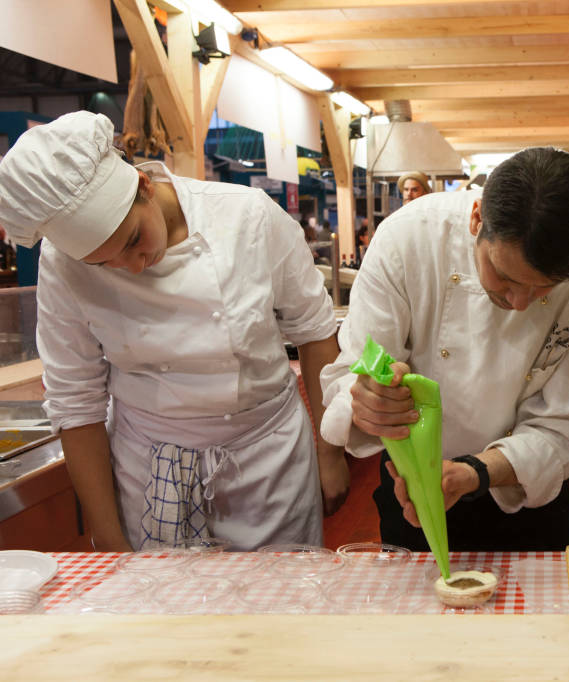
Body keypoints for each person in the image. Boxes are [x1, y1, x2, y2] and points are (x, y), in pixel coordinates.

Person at [0, 111, 350, 551]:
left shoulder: (245, 216)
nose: (132, 265)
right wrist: (107, 534)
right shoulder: (61, 265)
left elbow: (315, 332)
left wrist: (330, 453)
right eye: (102, 263)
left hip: (269, 462)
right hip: (148, 470)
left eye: (131, 240)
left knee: (281, 610)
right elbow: (76, 402)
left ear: (144, 186)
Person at [320, 147, 569, 551]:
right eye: (503, 276)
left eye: (543, 288)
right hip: (411, 480)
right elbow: (361, 364)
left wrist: (474, 473)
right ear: (477, 217)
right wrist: (369, 399)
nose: (519, 301)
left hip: (527, 493)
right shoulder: (408, 238)